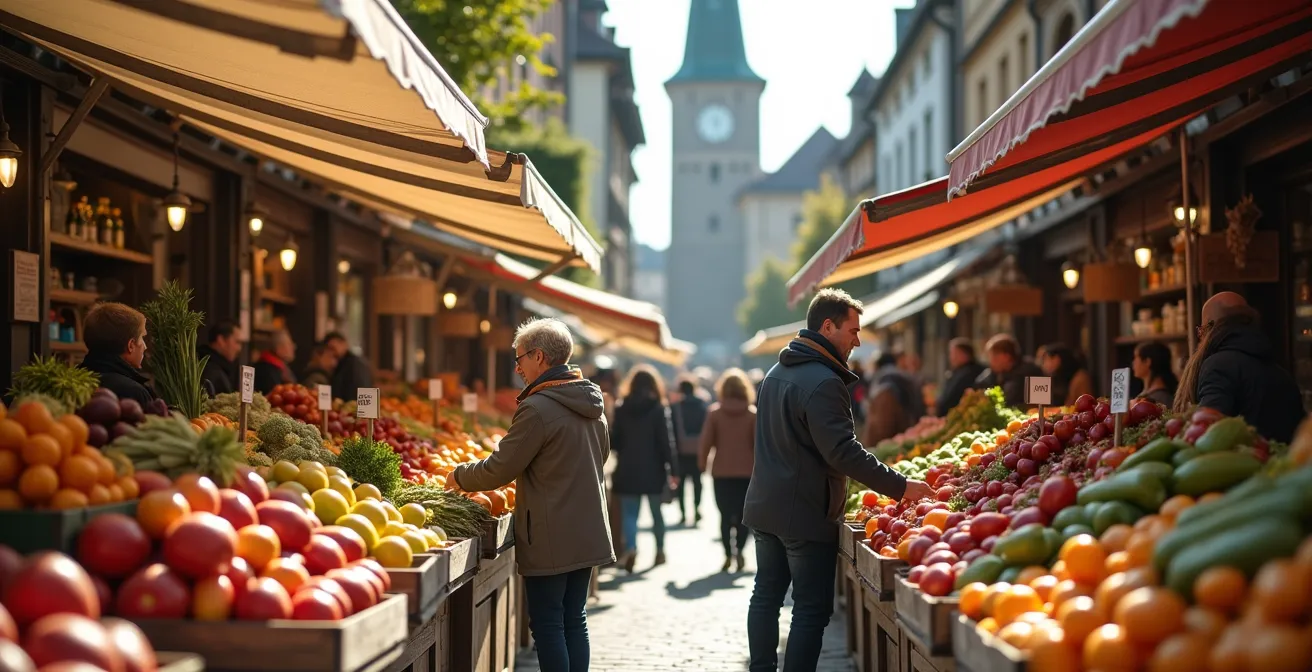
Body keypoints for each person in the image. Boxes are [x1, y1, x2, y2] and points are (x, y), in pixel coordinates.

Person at [745, 288, 932, 672]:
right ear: (827, 327)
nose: (857, 341)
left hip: (765, 504)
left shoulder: (775, 374)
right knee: (810, 609)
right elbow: (843, 453)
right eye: (853, 330)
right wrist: (901, 487)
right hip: (805, 511)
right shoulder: (824, 382)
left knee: (765, 597)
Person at [445, 318, 612, 672]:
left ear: (539, 356)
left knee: (549, 624)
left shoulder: (538, 408)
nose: (517, 367)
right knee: (574, 619)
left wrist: (458, 475)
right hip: (587, 529)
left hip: (551, 534)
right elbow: (601, 456)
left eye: (519, 358)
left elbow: (500, 469)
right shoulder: (592, 405)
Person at [1174, 292, 1304, 442]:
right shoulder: (1283, 374)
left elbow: (1207, 430)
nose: (1200, 337)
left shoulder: (1218, 366)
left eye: (1201, 330)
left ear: (1209, 326)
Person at [609, 365, 679, 573]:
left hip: (627, 469)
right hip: (654, 470)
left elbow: (615, 441)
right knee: (657, 513)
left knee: (630, 514)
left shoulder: (622, 408)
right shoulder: (658, 408)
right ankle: (660, 551)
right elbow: (666, 442)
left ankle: (631, 548)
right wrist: (674, 470)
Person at [698, 368, 756, 573]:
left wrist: (702, 464)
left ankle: (727, 554)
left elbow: (706, 442)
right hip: (747, 473)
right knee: (743, 516)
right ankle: (739, 550)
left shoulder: (715, 413)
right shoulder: (752, 414)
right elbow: (759, 446)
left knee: (724, 515)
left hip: (721, 472)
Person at [80, 302, 156, 407]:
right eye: (142, 337)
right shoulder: (134, 392)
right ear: (131, 345)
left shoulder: (72, 381)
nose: (145, 346)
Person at [671, 377, 709, 526]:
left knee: (680, 484)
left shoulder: (676, 407)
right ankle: (697, 508)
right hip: (698, 450)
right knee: (697, 482)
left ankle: (683, 513)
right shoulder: (702, 406)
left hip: (680, 450)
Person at [862, 353, 920, 446]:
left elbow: (881, 426)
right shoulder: (904, 379)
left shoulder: (882, 385)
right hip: (904, 434)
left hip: (884, 441)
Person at [975, 334, 1045, 407]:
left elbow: (1009, 401)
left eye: (994, 357)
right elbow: (979, 386)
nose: (991, 362)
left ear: (1006, 356)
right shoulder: (998, 373)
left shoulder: (1029, 372)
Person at [935, 338, 985, 416]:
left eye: (954, 353)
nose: (951, 357)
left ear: (964, 354)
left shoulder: (972, 372)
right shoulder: (956, 372)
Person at [198, 319, 243, 397]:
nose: (239, 348)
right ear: (221, 340)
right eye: (237, 342)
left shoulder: (224, 368)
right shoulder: (210, 371)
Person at [325, 332, 373, 402]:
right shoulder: (342, 363)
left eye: (333, 348)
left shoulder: (354, 363)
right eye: (329, 349)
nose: (332, 352)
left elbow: (359, 388)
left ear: (344, 344)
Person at [1133, 342, 1178, 406]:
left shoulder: (1159, 399)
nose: (1133, 363)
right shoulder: (1151, 395)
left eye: (1136, 357)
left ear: (1147, 362)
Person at [253, 329, 297, 394]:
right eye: (289, 344)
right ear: (279, 348)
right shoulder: (267, 370)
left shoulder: (281, 367)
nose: (294, 347)